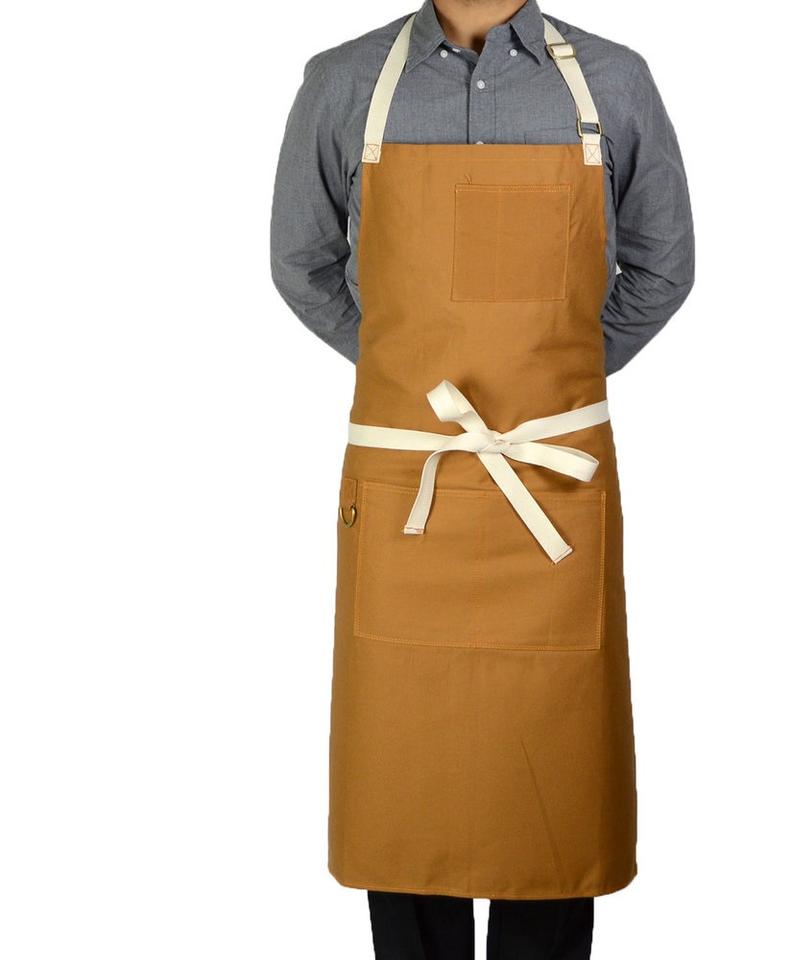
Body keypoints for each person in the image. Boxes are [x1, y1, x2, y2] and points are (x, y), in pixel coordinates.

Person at [270, 1, 694, 956]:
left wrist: (559, 380)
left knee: (552, 776)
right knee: (406, 777)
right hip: (406, 484)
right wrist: (403, 373)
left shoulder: (614, 81)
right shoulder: (343, 81)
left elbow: (664, 267)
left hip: (552, 483)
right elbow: (300, 263)